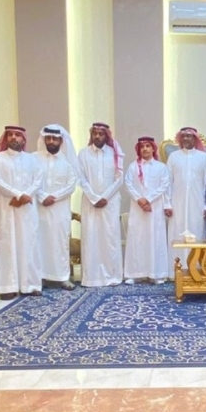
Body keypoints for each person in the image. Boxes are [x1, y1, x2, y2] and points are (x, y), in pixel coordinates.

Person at [0, 125, 43, 299]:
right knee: (7, 245)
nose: (13, 138)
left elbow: (38, 180)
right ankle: (7, 287)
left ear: (23, 139)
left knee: (29, 244)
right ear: (6, 138)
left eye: (17, 135)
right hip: (7, 207)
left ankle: (31, 285)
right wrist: (19, 195)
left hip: (27, 208)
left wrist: (25, 196)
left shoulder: (32, 159)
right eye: (10, 135)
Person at [77, 122, 124, 288]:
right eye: (95, 133)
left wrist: (104, 197)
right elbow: (81, 178)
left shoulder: (115, 153)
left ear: (106, 136)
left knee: (110, 238)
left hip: (110, 203)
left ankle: (112, 276)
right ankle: (91, 278)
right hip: (90, 203)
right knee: (91, 237)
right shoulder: (83, 154)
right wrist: (94, 198)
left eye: (101, 133)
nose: (97, 136)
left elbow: (119, 179)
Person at [34, 124, 78, 290]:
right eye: (48, 138)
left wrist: (54, 197)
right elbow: (31, 180)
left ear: (61, 141)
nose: (51, 141)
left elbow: (71, 184)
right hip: (39, 208)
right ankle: (40, 276)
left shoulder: (67, 161)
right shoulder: (34, 158)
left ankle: (62, 277)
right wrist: (42, 196)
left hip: (60, 209)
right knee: (39, 242)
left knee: (60, 243)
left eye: (55, 139)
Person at [124, 135, 171, 283]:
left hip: (155, 208)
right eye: (142, 147)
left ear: (153, 148)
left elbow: (164, 185)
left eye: (147, 146)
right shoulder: (133, 167)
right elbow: (128, 185)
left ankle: (156, 274)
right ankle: (135, 274)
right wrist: (140, 199)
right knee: (137, 239)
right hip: (137, 208)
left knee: (155, 239)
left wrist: (148, 199)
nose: (145, 149)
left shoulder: (161, 167)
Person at [166, 126, 206, 266]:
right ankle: (175, 267)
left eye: (189, 136)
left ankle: (196, 267)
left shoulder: (204, 158)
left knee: (197, 232)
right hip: (177, 203)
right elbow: (168, 182)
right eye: (183, 136)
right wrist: (167, 204)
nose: (186, 138)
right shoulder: (173, 157)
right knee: (177, 233)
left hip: (198, 203)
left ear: (195, 139)